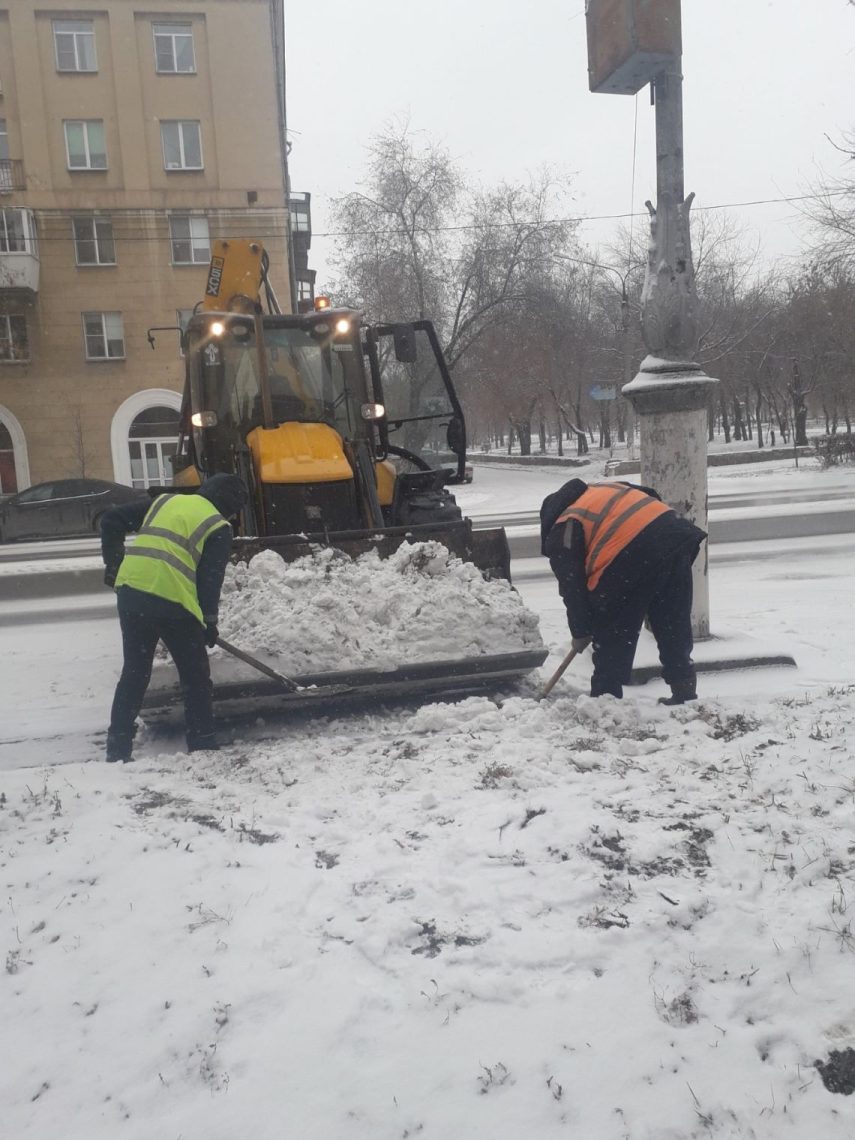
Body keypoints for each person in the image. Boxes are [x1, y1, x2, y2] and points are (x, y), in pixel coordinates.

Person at [100, 473, 249, 762]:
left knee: (134, 673)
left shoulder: (164, 501)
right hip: (172, 605)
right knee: (195, 677)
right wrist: (209, 621)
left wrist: (114, 565)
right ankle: (202, 742)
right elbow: (210, 580)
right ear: (230, 506)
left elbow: (110, 520)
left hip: (131, 595)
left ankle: (118, 748)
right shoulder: (218, 526)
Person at [540, 478, 707, 704]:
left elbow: (572, 589)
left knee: (612, 630)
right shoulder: (603, 489)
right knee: (671, 620)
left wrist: (581, 631)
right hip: (674, 538)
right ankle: (684, 691)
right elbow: (649, 493)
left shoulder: (564, 524)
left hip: (631, 555)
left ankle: (605, 700)